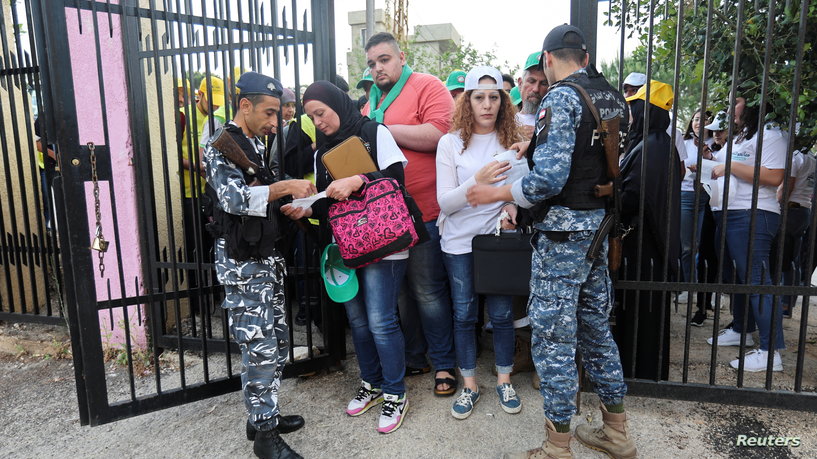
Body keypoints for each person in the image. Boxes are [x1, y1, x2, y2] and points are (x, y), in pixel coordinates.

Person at [467, 25, 635, 459]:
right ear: (585, 56)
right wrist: (535, 146)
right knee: (596, 330)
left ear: (547, 59)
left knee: (554, 341)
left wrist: (496, 194)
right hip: (597, 231)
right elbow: (592, 158)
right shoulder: (613, 96)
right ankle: (616, 432)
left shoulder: (561, 97)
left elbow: (549, 181)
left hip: (562, 236)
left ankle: (557, 446)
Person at [280, 80, 412, 434]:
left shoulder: (373, 132)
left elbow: (397, 180)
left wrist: (358, 179)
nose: (318, 122)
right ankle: (372, 383)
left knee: (381, 320)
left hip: (383, 240)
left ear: (337, 104)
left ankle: (395, 392)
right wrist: (306, 209)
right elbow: (328, 202)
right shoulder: (321, 151)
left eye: (321, 113)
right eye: (311, 117)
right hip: (344, 246)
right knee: (358, 321)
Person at [203, 71, 315, 459]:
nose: (275, 121)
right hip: (242, 264)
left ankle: (261, 415)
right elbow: (234, 200)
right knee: (260, 347)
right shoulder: (219, 146)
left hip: (264, 258)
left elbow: (258, 199)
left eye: (277, 113)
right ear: (245, 105)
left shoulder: (251, 143)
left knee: (276, 342)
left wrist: (288, 204)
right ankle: (265, 437)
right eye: (269, 113)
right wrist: (286, 186)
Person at [363, 32, 457, 395]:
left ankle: (444, 363)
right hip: (385, 219)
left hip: (424, 212)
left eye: (384, 59)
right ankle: (416, 357)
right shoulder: (370, 103)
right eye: (372, 63)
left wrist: (383, 130)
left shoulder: (427, 85)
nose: (378, 68)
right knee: (401, 295)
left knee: (427, 291)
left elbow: (440, 134)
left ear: (401, 57)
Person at [436, 66, 525, 419]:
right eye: (479, 97)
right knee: (464, 314)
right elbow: (446, 203)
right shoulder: (450, 142)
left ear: (503, 101)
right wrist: (479, 179)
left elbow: (519, 191)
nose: (487, 104)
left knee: (501, 315)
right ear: (467, 101)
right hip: (458, 241)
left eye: (494, 97)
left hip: (495, 241)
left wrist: (510, 208)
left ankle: (504, 380)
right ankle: (470, 385)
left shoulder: (511, 141)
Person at [707, 95, 787, 373]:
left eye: (736, 103)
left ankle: (770, 353)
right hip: (732, 212)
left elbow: (774, 176)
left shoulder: (771, 135)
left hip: (754, 214)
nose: (730, 109)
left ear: (754, 103)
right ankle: (742, 330)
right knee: (740, 279)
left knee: (757, 282)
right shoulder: (743, 136)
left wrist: (730, 166)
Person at [614, 80, 682, 381]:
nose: (629, 114)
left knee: (643, 313)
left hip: (645, 246)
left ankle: (641, 374)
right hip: (646, 244)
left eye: (634, 107)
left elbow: (634, 197)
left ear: (646, 110)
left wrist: (610, 194)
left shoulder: (652, 147)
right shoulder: (654, 143)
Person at [680, 109, 716, 325]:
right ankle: (688, 285)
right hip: (686, 194)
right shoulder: (683, 142)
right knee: (687, 246)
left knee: (705, 247)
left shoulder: (715, 143)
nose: (699, 123)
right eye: (696, 119)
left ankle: (707, 291)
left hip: (709, 196)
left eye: (705, 119)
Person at [772, 149, 815, 318]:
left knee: (781, 258)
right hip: (803, 210)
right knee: (792, 259)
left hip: (790, 209)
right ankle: (787, 303)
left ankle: (781, 302)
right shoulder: (810, 157)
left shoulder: (795, 157)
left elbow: (786, 188)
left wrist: (775, 201)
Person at [515, 52, 549, 140]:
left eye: (543, 83)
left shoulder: (556, 123)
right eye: (531, 81)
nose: (536, 89)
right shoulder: (505, 122)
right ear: (520, 84)